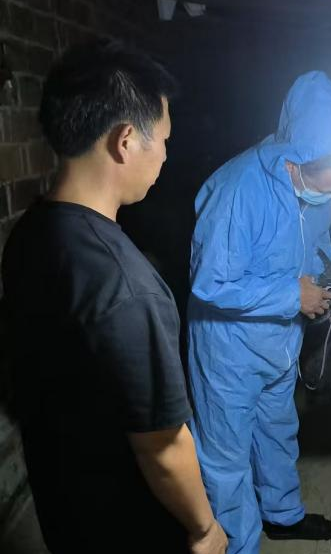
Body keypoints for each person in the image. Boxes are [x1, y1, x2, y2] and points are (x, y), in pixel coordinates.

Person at [1, 40, 227, 554]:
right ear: (125, 141)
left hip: (63, 501)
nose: (165, 154)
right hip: (127, 524)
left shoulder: (30, 233)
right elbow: (164, 447)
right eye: (163, 140)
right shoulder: (125, 285)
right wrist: (204, 528)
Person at [187, 71, 331, 554]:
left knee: (278, 431)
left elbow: (319, 246)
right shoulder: (239, 189)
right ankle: (238, 546)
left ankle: (282, 516)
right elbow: (211, 283)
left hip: (280, 343)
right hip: (228, 353)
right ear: (298, 158)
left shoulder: (317, 189)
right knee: (226, 459)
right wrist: (292, 296)